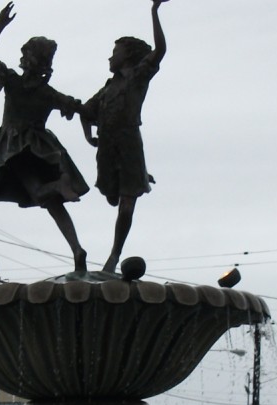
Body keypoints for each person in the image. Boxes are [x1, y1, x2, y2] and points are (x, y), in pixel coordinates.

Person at [0, 2, 91, 272]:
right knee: (50, 203)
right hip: (41, 148)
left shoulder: (12, 81)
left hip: (15, 148)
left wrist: (0, 24)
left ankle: (59, 186)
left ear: (27, 58)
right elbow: (81, 109)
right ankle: (77, 249)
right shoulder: (48, 93)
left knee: (42, 194)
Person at [81, 0, 168, 274]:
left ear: (127, 57)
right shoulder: (108, 88)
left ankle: (114, 255)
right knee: (111, 195)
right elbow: (86, 110)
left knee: (127, 204)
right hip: (106, 147)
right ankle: (137, 178)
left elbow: (160, 50)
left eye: (114, 52)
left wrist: (154, 11)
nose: (109, 57)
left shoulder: (138, 76)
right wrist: (88, 135)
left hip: (129, 143)